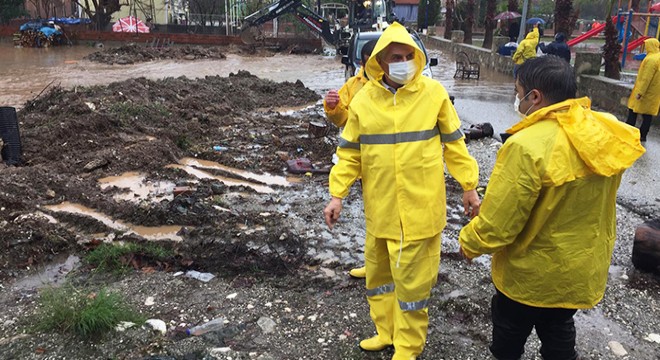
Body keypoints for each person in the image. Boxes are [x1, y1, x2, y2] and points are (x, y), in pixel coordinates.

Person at [458, 56, 646, 360]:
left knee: (509, 336)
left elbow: (500, 222)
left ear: (535, 97)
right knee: (559, 332)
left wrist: (470, 242)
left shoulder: (526, 145)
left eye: (519, 92)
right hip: (578, 271)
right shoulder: (605, 131)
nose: (517, 98)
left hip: (529, 274)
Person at [323, 22, 480, 360]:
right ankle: (386, 333)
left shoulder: (433, 94)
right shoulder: (364, 100)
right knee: (378, 278)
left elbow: (455, 144)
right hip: (380, 209)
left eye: (410, 55)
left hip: (420, 211)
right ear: (380, 61)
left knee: (412, 288)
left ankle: (408, 348)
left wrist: (469, 186)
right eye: (397, 56)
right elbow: (350, 153)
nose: (405, 61)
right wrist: (337, 194)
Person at [323, 39, 377, 279]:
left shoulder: (406, 87)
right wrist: (332, 107)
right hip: (366, 162)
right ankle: (376, 266)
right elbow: (342, 120)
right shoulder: (354, 85)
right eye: (369, 60)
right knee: (375, 215)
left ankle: (400, 267)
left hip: (397, 164)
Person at [625, 38, 660, 142]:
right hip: (654, 92)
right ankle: (643, 135)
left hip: (646, 92)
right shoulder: (657, 57)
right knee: (647, 115)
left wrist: (640, 92)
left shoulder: (651, 60)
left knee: (633, 110)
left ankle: (628, 131)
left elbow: (646, 78)